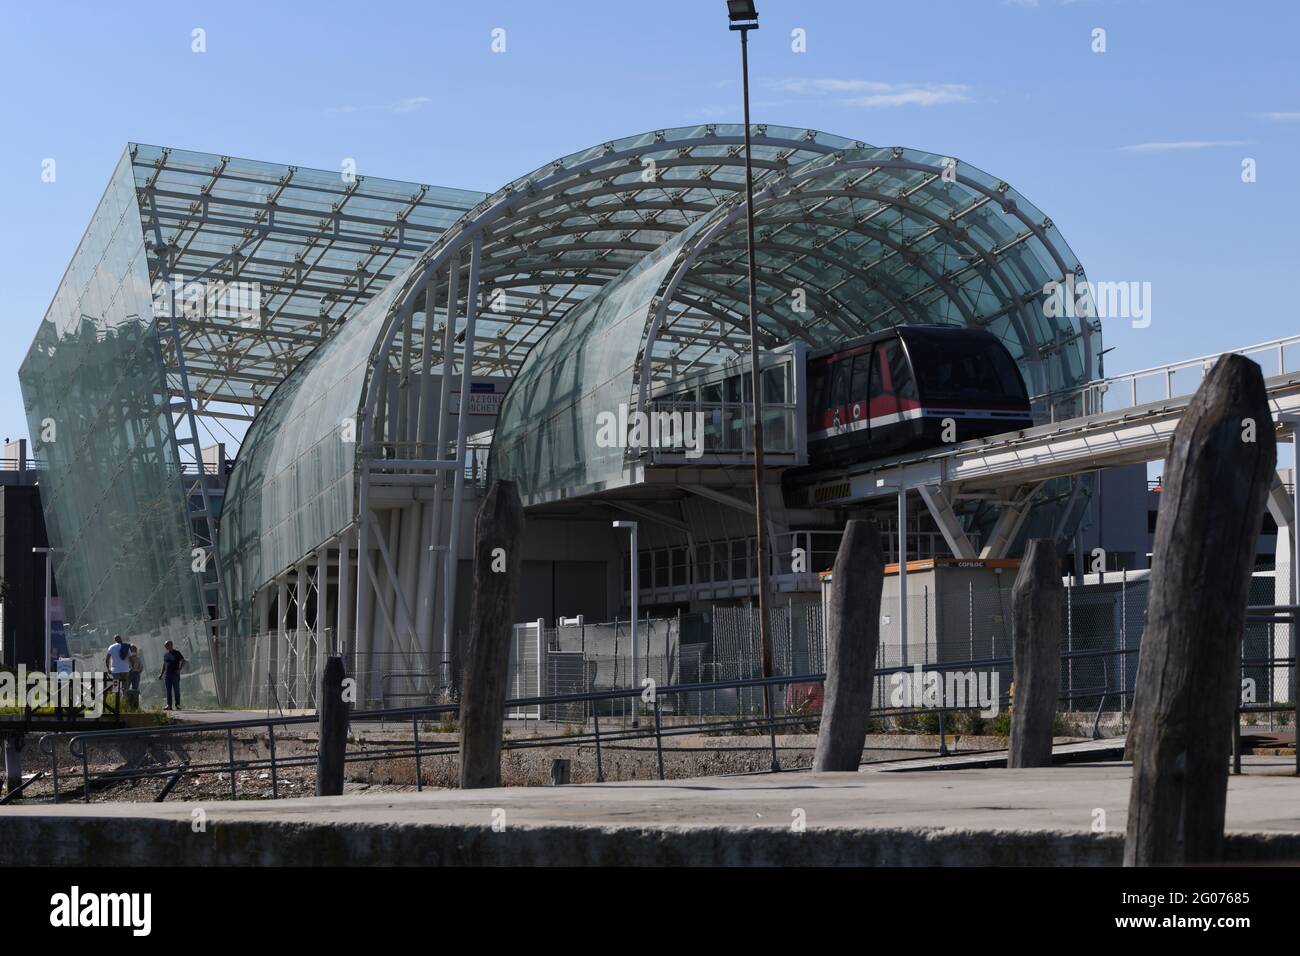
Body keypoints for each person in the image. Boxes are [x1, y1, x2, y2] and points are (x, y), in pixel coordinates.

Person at [158, 640, 186, 711]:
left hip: (175, 675)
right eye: (165, 645)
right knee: (168, 691)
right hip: (167, 675)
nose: (166, 646)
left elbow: (183, 661)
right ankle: (169, 705)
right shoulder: (166, 655)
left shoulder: (177, 653)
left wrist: (179, 670)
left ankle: (177, 705)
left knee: (176, 690)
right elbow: (164, 665)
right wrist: (161, 674)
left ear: (171, 645)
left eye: (167, 645)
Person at [104, 634, 132, 701]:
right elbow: (131, 658)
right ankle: (125, 701)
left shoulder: (111, 647)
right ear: (121, 639)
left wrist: (108, 669)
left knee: (116, 686)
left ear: (114, 640)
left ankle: (116, 701)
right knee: (125, 687)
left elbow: (107, 659)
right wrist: (131, 666)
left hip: (115, 671)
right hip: (125, 670)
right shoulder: (126, 646)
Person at [126, 644, 143, 709]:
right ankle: (127, 704)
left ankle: (134, 704)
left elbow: (141, 667)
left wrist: (138, 671)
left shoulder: (138, 658)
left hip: (136, 674)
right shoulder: (127, 658)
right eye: (132, 650)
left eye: (134, 650)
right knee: (126, 689)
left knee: (135, 689)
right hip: (128, 674)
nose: (133, 651)